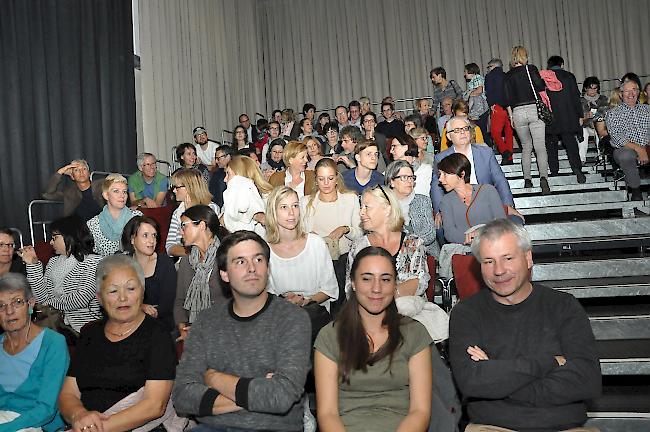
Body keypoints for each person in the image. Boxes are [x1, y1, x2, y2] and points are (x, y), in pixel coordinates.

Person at [449, 219, 602, 431]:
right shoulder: (466, 313)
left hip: (564, 428)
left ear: (528, 258)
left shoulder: (563, 306)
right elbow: (471, 382)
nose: (499, 270)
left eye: (508, 258)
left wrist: (499, 377)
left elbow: (587, 380)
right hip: (494, 428)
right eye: (489, 261)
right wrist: (548, 364)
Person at [172, 230, 312, 431]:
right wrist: (257, 393)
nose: (252, 268)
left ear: (268, 267)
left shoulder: (293, 319)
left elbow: (281, 397)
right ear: (224, 274)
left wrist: (214, 378)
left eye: (258, 259)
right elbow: (182, 396)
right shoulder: (206, 321)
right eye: (240, 261)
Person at [314, 246, 433, 431]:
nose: (376, 288)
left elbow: (420, 411)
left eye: (385, 279)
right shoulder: (330, 337)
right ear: (353, 283)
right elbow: (327, 414)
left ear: (395, 284)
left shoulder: (415, 333)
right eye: (367, 279)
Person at [59, 255, 179, 432]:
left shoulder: (157, 335)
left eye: (130, 288)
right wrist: (79, 415)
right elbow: (68, 394)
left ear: (142, 291)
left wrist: (95, 429)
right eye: (113, 291)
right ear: (99, 297)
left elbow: (155, 405)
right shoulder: (89, 334)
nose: (123, 298)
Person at [265, 186, 338, 340]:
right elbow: (266, 295)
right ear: (273, 211)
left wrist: (306, 301)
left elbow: (330, 290)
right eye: (284, 207)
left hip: (315, 319)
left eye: (295, 206)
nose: (292, 213)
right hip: (281, 320)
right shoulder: (264, 251)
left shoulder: (315, 244)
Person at [0, 273, 69, 432]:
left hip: (37, 425)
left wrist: (4, 428)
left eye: (17, 302)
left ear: (30, 305)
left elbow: (45, 410)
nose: (9, 311)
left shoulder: (53, 344)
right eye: (1, 305)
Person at [21, 216, 102, 333]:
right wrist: (33, 265)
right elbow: (41, 297)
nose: (51, 242)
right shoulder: (53, 262)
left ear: (70, 236)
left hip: (86, 327)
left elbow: (81, 298)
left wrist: (49, 304)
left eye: (54, 238)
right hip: (57, 325)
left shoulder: (94, 261)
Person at [346, 186, 429, 298]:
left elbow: (419, 282)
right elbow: (351, 287)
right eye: (361, 207)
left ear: (387, 210)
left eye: (367, 207)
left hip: (409, 311)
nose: (361, 212)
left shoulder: (413, 244)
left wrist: (381, 297)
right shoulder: (358, 246)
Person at [432, 116, 517, 221]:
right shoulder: (441, 158)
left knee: (514, 221)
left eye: (465, 128)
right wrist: (439, 211)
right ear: (449, 136)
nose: (462, 132)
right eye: (457, 130)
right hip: (456, 207)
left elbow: (500, 180)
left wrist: (508, 204)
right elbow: (437, 187)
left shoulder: (486, 153)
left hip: (486, 203)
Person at [301, 158, 362, 301]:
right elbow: (298, 235)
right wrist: (309, 236)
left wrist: (346, 229)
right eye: (322, 179)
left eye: (330, 178)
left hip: (343, 262)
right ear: (316, 180)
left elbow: (360, 234)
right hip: (315, 262)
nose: (326, 183)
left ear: (337, 178)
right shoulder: (305, 202)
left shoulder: (350, 199)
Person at [503, 45, 551, 194]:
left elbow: (506, 99)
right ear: (525, 57)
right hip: (533, 110)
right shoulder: (531, 69)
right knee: (540, 147)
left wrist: (511, 116)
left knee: (525, 147)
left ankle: (527, 180)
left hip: (517, 112)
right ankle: (543, 178)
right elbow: (540, 86)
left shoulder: (507, 75)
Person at [175, 205, 225, 342]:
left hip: (223, 329)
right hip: (192, 328)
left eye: (184, 226)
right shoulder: (186, 261)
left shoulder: (227, 258)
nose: (181, 232)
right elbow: (179, 301)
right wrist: (182, 328)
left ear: (202, 225)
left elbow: (236, 304)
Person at [121, 216, 177, 333]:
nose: (151, 241)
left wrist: (140, 311)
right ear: (132, 239)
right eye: (145, 235)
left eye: (154, 235)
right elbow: (117, 300)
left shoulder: (165, 263)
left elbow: (167, 305)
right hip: (128, 321)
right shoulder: (123, 265)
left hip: (159, 324)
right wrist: (140, 307)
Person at [438, 153, 506, 245]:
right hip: (464, 249)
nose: (440, 179)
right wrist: (471, 238)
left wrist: (483, 236)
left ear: (461, 174)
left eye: (445, 174)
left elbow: (501, 222)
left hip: (493, 243)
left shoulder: (488, 190)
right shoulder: (446, 201)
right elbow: (449, 233)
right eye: (440, 174)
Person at [606, 79, 650, 201]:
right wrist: (639, 149)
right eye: (627, 91)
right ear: (621, 94)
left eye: (634, 90)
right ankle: (636, 193)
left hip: (646, 145)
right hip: (625, 148)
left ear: (639, 92)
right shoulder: (613, 113)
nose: (631, 93)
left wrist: (646, 146)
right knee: (626, 155)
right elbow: (616, 136)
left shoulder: (647, 110)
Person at [544, 55, 586, 182]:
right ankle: (577, 169)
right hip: (568, 116)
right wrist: (580, 115)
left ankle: (554, 172)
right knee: (571, 144)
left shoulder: (544, 77)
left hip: (550, 117)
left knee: (551, 145)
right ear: (562, 64)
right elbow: (575, 97)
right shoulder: (569, 76)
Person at [385, 160, 438, 257]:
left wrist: (408, 245)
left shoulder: (422, 201)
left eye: (411, 177)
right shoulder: (384, 205)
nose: (409, 181)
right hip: (392, 254)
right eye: (404, 177)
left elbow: (430, 233)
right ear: (391, 182)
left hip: (425, 254)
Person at [167, 169, 219, 257]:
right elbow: (169, 247)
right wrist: (193, 253)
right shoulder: (178, 212)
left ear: (189, 187)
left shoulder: (211, 209)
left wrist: (190, 214)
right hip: (185, 259)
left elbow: (211, 243)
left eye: (177, 187)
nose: (174, 191)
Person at [86, 174, 142, 256]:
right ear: (106, 195)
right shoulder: (93, 224)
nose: (122, 195)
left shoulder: (137, 217)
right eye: (116, 191)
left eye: (124, 192)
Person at [222, 155, 272, 236]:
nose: (225, 180)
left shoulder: (269, 199)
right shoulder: (232, 198)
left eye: (228, 174)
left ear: (242, 176)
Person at [485, 58, 514, 165]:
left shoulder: (490, 76)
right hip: (509, 107)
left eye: (489, 67)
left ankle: (505, 152)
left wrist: (491, 103)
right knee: (509, 132)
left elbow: (489, 91)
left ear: (493, 66)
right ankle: (509, 158)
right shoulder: (507, 75)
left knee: (495, 132)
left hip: (497, 106)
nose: (488, 69)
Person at [579, 77, 609, 163]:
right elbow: (576, 119)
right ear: (585, 89)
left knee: (600, 131)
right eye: (590, 88)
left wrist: (599, 115)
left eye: (595, 88)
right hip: (586, 126)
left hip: (600, 126)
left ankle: (602, 157)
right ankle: (581, 159)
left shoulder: (603, 99)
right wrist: (585, 116)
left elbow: (607, 114)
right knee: (583, 132)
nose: (593, 91)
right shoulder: (580, 101)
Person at [463, 62, 490, 141]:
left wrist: (468, 95)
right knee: (479, 128)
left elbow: (479, 90)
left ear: (471, 71)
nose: (465, 74)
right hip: (478, 108)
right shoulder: (472, 80)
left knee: (481, 129)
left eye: (465, 71)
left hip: (481, 108)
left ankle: (486, 146)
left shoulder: (477, 78)